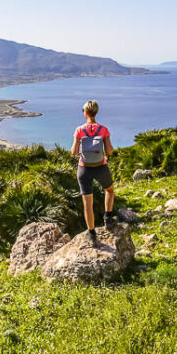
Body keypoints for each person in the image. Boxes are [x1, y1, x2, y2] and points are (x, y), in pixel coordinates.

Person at [70, 99, 115, 246]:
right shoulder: (104, 130)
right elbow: (109, 151)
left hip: (84, 169)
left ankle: (91, 233)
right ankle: (108, 218)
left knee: (87, 203)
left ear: (86, 112)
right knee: (109, 190)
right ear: (96, 112)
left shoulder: (79, 130)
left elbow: (74, 152)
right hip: (100, 167)